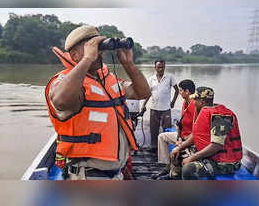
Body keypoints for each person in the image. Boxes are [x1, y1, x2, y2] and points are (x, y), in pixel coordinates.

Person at [45, 25, 151, 180]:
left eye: (99, 47)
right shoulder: (64, 81)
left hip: (116, 174)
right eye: (91, 47)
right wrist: (88, 58)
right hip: (88, 176)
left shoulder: (108, 80)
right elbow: (61, 100)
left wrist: (129, 64)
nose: (98, 53)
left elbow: (143, 92)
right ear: (74, 55)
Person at [168, 86, 242, 180]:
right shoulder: (204, 111)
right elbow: (196, 136)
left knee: (188, 169)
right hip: (210, 156)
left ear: (202, 102)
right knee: (176, 154)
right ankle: (173, 178)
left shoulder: (220, 117)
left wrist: (192, 158)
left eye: (195, 100)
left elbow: (216, 145)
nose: (193, 102)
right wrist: (179, 147)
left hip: (223, 162)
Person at [152, 79, 196, 179]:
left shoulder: (194, 105)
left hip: (190, 138)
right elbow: (181, 125)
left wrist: (182, 142)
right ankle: (166, 165)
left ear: (187, 91)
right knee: (162, 137)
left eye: (180, 91)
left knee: (178, 150)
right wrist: (179, 138)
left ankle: (170, 170)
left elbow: (196, 131)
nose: (179, 93)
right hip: (182, 135)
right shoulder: (185, 103)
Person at [141, 59, 179, 152]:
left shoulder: (169, 77)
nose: (160, 69)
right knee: (153, 129)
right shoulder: (151, 79)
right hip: (154, 108)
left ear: (165, 67)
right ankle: (154, 147)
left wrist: (173, 102)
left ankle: (166, 148)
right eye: (158, 67)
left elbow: (177, 90)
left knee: (167, 129)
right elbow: (148, 93)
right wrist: (143, 105)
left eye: (162, 67)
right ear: (155, 68)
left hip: (166, 108)